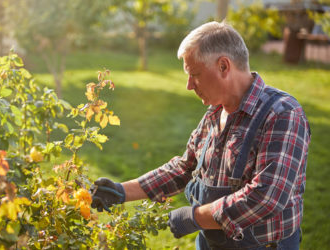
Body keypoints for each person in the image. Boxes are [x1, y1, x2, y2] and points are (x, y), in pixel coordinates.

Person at [90, 21, 311, 249]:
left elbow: (267, 197)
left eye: (194, 74)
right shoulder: (215, 112)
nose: (188, 85)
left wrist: (195, 217)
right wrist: (120, 191)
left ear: (224, 67)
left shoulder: (282, 113)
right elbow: (185, 167)